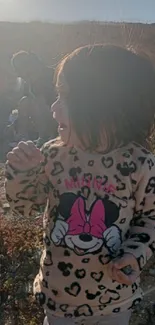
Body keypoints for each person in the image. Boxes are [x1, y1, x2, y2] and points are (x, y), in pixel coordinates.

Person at [5, 45, 155, 325]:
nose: (53, 107)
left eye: (65, 96)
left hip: (114, 299)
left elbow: (150, 218)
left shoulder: (139, 163)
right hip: (59, 296)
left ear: (103, 107)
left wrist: (134, 254)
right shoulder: (53, 153)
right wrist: (21, 172)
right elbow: (26, 207)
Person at [11, 51, 58, 145]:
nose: (20, 75)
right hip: (42, 123)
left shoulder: (54, 76)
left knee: (38, 102)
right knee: (25, 101)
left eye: (20, 70)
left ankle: (49, 136)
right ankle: (23, 137)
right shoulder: (29, 84)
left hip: (59, 115)